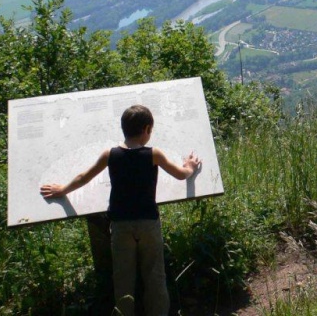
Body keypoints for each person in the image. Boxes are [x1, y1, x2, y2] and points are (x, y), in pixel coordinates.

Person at [41, 104, 201, 316]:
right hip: (148, 223)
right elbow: (181, 174)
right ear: (146, 129)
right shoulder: (154, 154)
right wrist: (190, 165)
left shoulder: (110, 154)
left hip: (120, 225)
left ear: (124, 128)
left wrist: (63, 189)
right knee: (154, 274)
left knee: (123, 277)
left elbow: (84, 177)